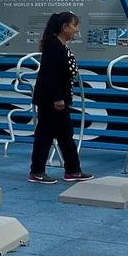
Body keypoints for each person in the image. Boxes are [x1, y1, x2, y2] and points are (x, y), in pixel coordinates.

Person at [29, 11, 93, 184]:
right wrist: (57, 98)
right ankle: (37, 171)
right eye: (74, 26)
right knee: (45, 135)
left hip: (59, 100)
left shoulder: (59, 45)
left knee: (65, 134)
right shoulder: (53, 46)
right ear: (65, 27)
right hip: (51, 101)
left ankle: (72, 170)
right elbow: (50, 75)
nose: (76, 30)